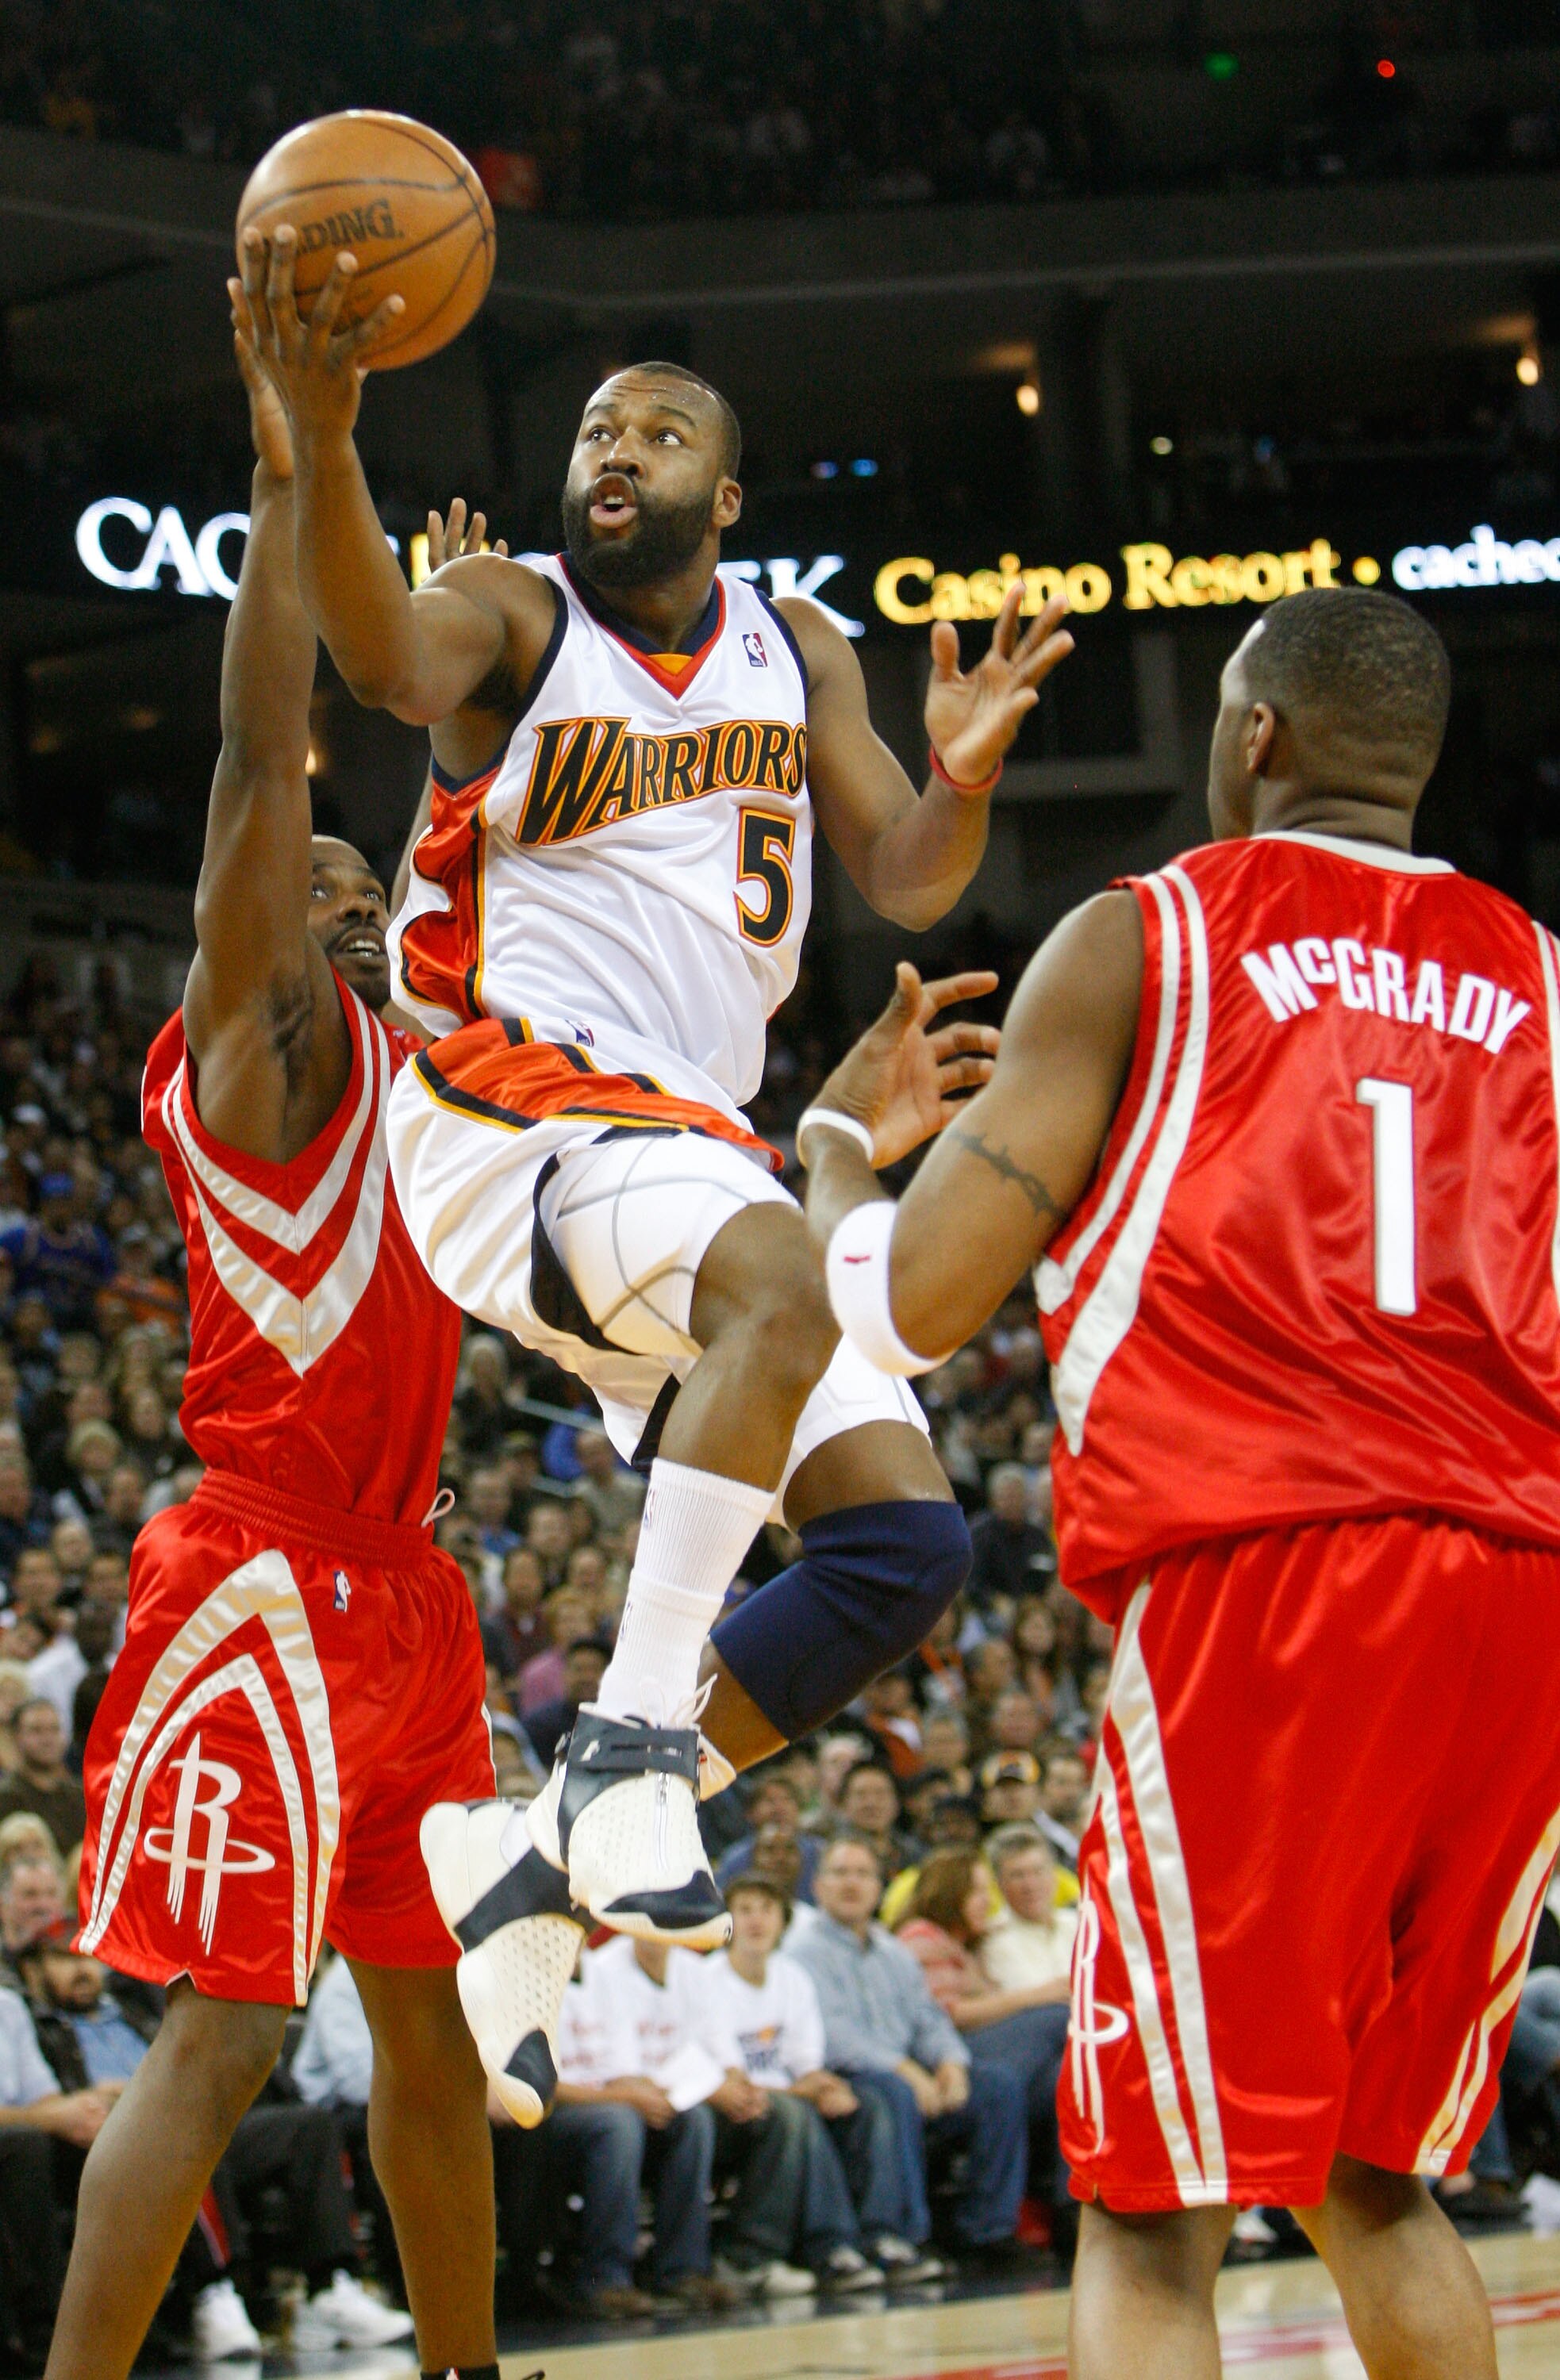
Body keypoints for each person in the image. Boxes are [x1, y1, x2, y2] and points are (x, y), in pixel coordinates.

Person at [248, 230, 1074, 2108]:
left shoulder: (803, 651)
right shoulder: (509, 613)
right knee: (781, 1265)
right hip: (506, 1113)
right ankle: (622, 1742)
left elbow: (907, 878)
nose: (614, 448)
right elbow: (377, 659)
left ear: (726, 487)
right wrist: (323, 427)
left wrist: (953, 780)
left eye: (659, 428)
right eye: (595, 430)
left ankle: (524, 1854)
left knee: (898, 1545)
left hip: (669, 1171)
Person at [800, 584, 1560, 2378]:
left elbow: (906, 1300)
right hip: (1514, 1593)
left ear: (1251, 736)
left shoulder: (1146, 936)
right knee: (1378, 2172)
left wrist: (839, 1146)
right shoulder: (1532, 969)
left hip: (1268, 1580)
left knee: (1151, 2212)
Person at [41, 314, 501, 2380]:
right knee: (227, 2037)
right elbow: (257, 765)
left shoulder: (427, 1052)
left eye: (354, 868)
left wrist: (460, 687)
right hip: (258, 1579)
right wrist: (288, 477)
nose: (343, 877)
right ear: (257, 925)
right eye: (316, 872)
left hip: (409, 1596)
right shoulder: (252, 1051)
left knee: (435, 2026)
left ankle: (467, 2368)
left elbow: (479, 870)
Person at [21, 1920, 411, 2355]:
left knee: (309, 2125)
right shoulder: (42, 2025)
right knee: (184, 2136)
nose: (80, 1970)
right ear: (36, 1970)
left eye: (84, 1957)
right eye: (63, 1959)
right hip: (121, 2132)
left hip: (193, 2110)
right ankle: (215, 2293)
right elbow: (53, 2104)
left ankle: (333, 2284)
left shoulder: (132, 2002)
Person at [795, 1833, 1024, 2269]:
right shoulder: (803, 1952)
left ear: (879, 1887)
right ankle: (900, 2237)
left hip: (909, 2070)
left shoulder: (893, 1952)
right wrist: (907, 2071)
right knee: (892, 2093)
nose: (852, 1883)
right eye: (840, 1873)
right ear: (818, 1887)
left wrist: (951, 2064)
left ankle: (987, 2230)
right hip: (845, 2078)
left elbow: (929, 2018)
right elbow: (835, 2035)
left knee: (997, 2087)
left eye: (863, 1874)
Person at [895, 1847, 1070, 2217]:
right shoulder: (921, 1937)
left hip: (991, 2059)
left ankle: (1072, 2208)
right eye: (978, 1892)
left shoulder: (963, 1944)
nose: (987, 1902)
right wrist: (1041, 1994)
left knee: (1067, 2077)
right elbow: (948, 2013)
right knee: (1062, 2017)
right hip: (948, 2061)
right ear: (950, 1894)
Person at [982, 1825, 1078, 1996]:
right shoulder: (990, 1940)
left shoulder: (1080, 1925)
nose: (1030, 1885)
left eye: (1038, 1871)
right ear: (999, 1884)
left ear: (1054, 1874)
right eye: (1018, 1875)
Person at [0, 1703, 84, 1856]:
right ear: (16, 1737)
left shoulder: (80, 1795)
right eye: (36, 1731)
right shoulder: (6, 1797)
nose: (48, 1739)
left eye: (55, 1729)